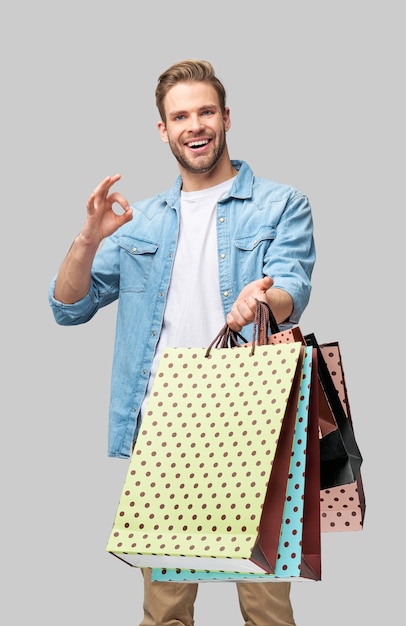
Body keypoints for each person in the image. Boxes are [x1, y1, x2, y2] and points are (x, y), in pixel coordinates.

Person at [49, 59, 315, 626]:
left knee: (266, 608)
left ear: (226, 118)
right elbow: (68, 308)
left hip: (254, 423)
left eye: (205, 112)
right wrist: (87, 239)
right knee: (165, 613)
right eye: (180, 116)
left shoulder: (280, 204)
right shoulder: (140, 221)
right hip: (164, 427)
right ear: (163, 129)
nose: (195, 125)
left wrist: (262, 302)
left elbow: (291, 283)